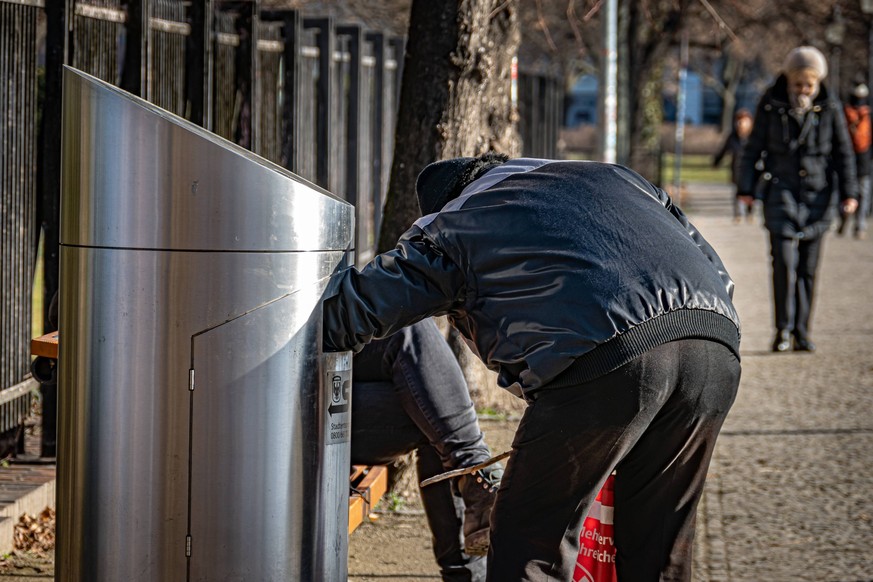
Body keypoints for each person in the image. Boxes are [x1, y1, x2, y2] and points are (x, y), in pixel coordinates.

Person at [323, 152, 742, 581]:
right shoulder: (615, 177)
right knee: (660, 549)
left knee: (532, 545)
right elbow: (714, 268)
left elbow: (359, 310)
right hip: (714, 344)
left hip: (605, 361)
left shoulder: (458, 222)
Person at [350, 317, 503, 581]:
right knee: (435, 415)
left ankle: (473, 472)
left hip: (308, 371)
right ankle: (475, 474)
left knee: (436, 409)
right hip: (273, 409)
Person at [737, 46, 859, 353]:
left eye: (809, 85)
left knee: (808, 268)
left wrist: (849, 193)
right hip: (781, 192)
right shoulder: (770, 105)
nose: (803, 90)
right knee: (784, 265)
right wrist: (746, 189)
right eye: (798, 84)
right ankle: (782, 330)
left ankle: (803, 331)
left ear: (817, 84)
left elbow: (843, 153)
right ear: (789, 81)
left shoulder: (830, 107)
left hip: (818, 195)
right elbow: (753, 148)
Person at [840, 81, 871, 239]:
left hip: (848, 157)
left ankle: (845, 219)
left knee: (845, 191)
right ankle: (859, 225)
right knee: (863, 194)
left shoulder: (845, 113)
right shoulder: (867, 115)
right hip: (863, 159)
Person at [713, 108, 755, 222]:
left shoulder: (754, 137)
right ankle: (737, 214)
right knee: (737, 190)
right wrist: (717, 161)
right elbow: (724, 149)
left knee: (750, 190)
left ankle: (750, 211)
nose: (741, 124)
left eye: (744, 121)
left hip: (751, 168)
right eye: (739, 121)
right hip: (736, 167)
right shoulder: (732, 137)